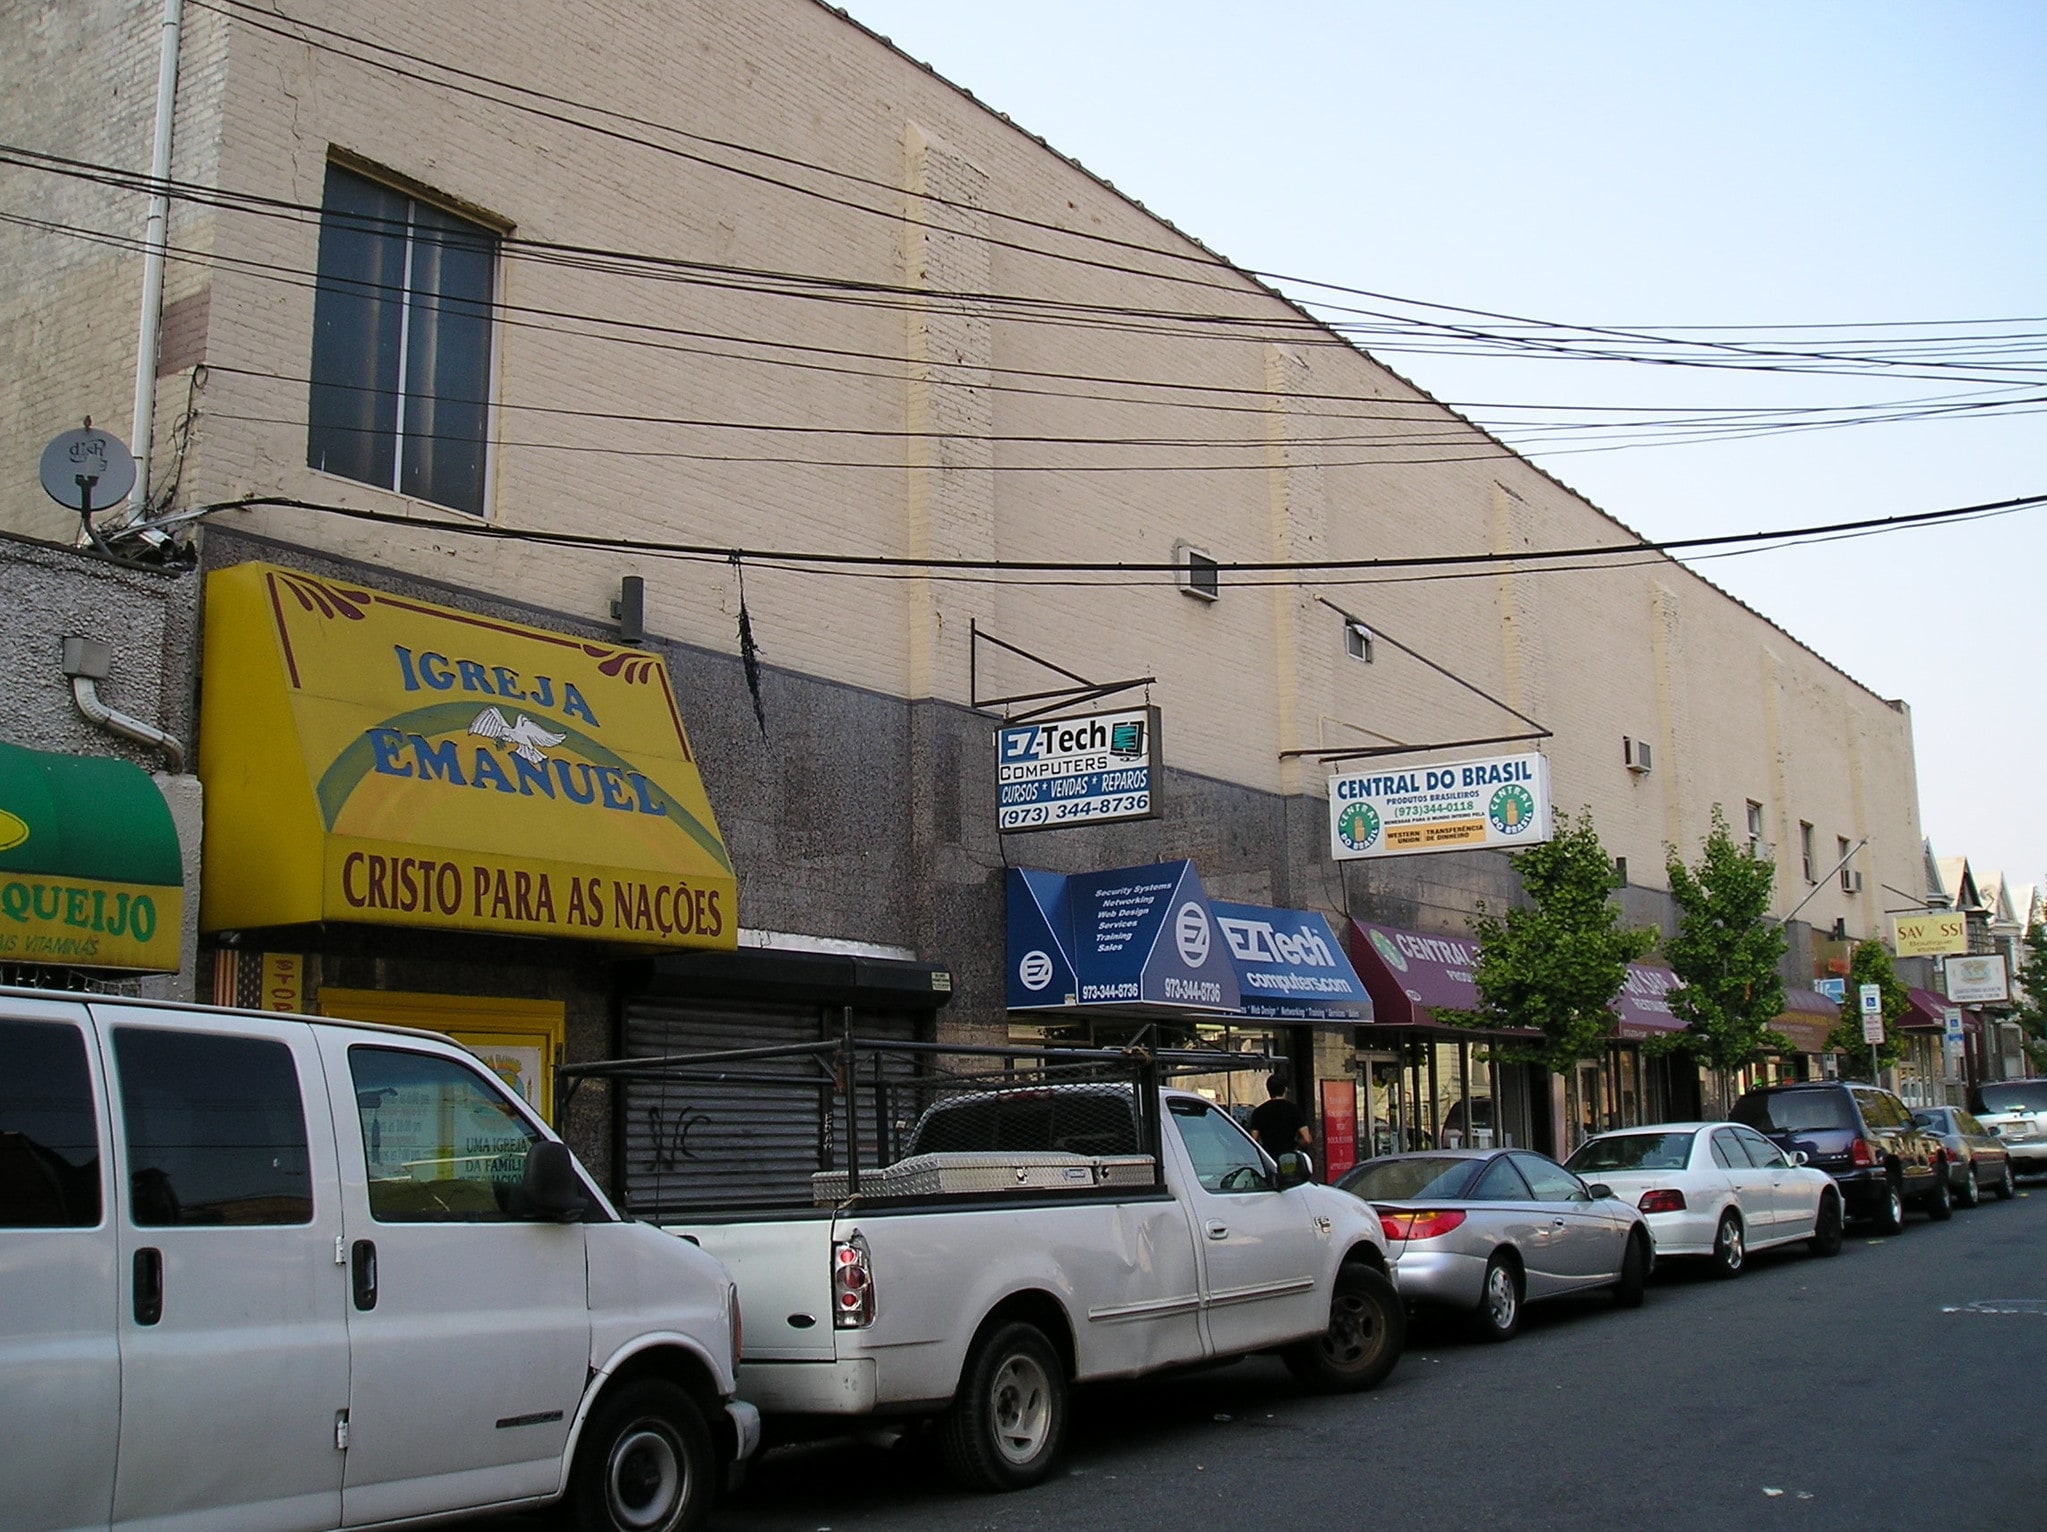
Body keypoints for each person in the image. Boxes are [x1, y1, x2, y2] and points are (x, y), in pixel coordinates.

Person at [1249, 1073, 1311, 1160]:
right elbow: (1306, 1139)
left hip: (1269, 1158)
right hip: (1289, 1158)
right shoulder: (1294, 1110)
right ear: (1285, 1089)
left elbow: (1253, 1140)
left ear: (1268, 1090)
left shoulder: (1259, 1111)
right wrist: (1295, 1146)